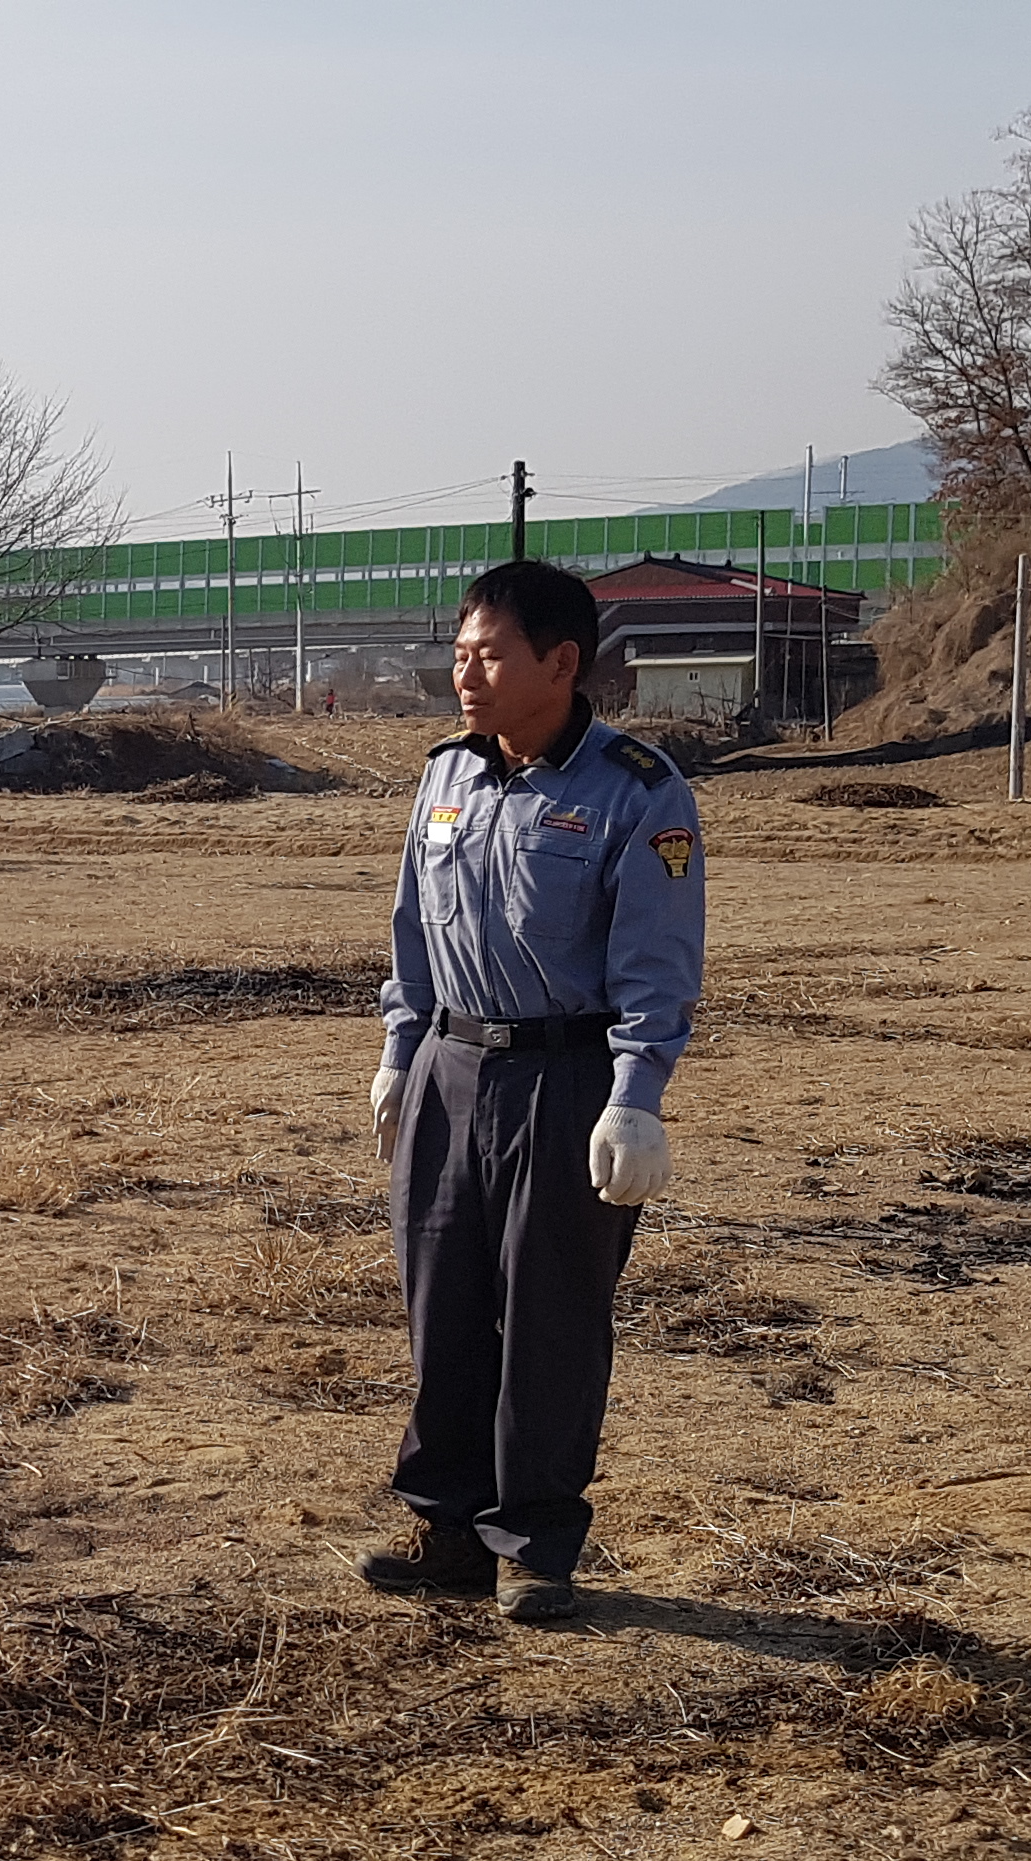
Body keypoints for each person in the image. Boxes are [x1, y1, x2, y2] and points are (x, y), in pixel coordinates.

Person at [356, 560, 705, 1622]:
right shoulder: (445, 777)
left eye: (491, 656)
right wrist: (400, 1052)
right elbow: (413, 933)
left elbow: (657, 959)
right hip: (451, 1069)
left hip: (566, 1076)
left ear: (561, 663)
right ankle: (446, 1527)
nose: (466, 675)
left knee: (551, 1315)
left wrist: (636, 1092)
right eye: (461, 654)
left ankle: (536, 1544)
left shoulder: (636, 791)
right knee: (442, 1304)